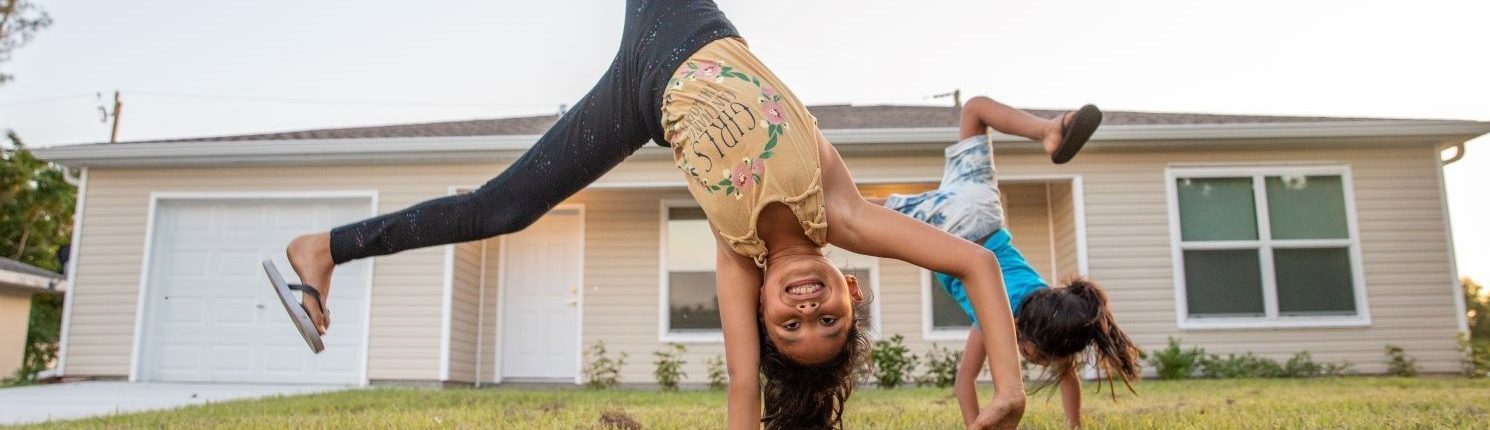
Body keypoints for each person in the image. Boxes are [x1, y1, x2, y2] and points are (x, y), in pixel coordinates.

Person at [262, 2, 1099, 428]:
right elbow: (977, 265)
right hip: (688, 19)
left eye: (792, 329)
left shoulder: (739, 258)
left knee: (505, 208)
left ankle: (323, 249)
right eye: (829, 323)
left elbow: (743, 388)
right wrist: (1007, 389)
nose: (807, 315)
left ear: (764, 313)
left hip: (642, 93)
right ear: (850, 289)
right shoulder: (838, 213)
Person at [875, 96, 1139, 429]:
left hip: (982, 209)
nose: (1034, 363)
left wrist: (1075, 426)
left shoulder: (1051, 307)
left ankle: (1050, 128)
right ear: (1027, 341)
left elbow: (1066, 373)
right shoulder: (995, 318)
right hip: (953, 229)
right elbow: (964, 382)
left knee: (974, 110)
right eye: (1037, 358)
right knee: (857, 213)